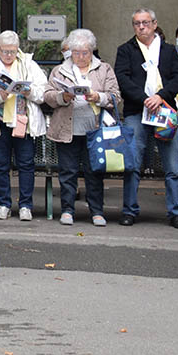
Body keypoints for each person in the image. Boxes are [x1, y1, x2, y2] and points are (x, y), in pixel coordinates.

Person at [113, 7, 178, 228]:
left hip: (165, 111)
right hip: (137, 111)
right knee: (133, 164)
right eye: (137, 23)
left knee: (172, 166)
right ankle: (129, 210)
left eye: (145, 23)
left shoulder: (168, 50)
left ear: (155, 24)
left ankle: (176, 212)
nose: (141, 27)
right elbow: (122, 79)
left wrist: (160, 96)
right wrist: (145, 99)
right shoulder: (126, 50)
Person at [42, 29, 122, 226]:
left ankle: (97, 211)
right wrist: (63, 96)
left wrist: (98, 97)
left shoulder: (104, 69)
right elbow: (48, 96)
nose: (80, 57)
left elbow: (115, 96)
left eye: (85, 52)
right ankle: (67, 210)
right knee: (67, 172)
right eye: (76, 52)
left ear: (92, 51)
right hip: (67, 130)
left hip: (95, 130)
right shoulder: (60, 70)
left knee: (94, 172)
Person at [0, 31, 48, 221]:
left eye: (12, 51)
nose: (8, 55)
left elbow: (43, 93)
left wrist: (29, 91)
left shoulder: (28, 64)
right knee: (0, 165)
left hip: (23, 122)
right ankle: (4, 204)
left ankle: (25, 205)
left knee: (26, 164)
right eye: (4, 51)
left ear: (18, 50)